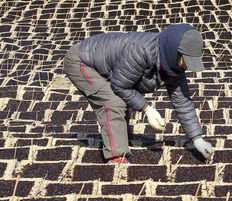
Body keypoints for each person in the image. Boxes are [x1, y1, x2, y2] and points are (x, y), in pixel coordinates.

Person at [64, 24, 214, 164]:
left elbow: (183, 103)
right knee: (113, 102)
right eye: (186, 61)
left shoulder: (174, 67)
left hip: (107, 66)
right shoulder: (140, 51)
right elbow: (120, 86)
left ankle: (121, 137)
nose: (187, 67)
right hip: (81, 62)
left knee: (122, 98)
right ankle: (116, 157)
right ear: (174, 51)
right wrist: (147, 109)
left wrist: (198, 140)